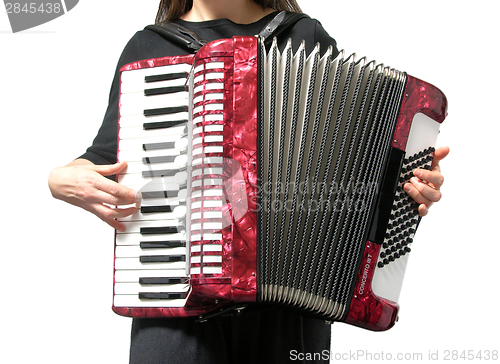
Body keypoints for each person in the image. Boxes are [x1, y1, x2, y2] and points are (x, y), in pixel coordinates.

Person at [48, 0, 450, 363]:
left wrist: (406, 189)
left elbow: (358, 164)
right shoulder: (149, 47)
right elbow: (102, 158)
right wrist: (61, 179)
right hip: (176, 296)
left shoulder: (304, 36)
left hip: (289, 315)